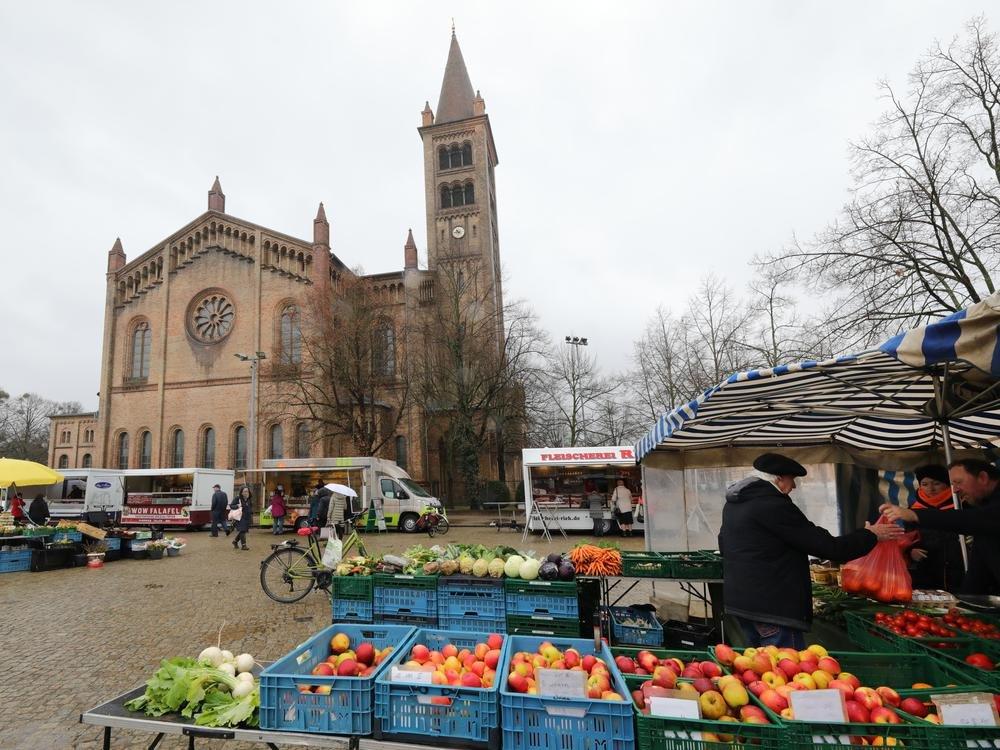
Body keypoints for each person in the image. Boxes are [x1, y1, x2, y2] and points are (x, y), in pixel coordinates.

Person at [720, 452, 902, 649]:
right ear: (779, 478)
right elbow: (827, 547)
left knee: (757, 670)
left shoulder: (735, 505)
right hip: (773, 608)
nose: (794, 486)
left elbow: (724, 544)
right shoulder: (772, 505)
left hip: (743, 604)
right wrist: (871, 535)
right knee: (785, 672)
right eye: (792, 480)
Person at [881, 458, 1000, 596]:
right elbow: (979, 568)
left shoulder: (983, 511)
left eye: (959, 482)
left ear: (983, 478)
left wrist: (915, 514)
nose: (955, 490)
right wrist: (965, 602)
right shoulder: (983, 506)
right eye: (952, 484)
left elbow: (970, 519)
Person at [905, 464, 964, 592]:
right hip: (925, 570)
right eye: (925, 484)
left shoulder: (961, 505)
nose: (930, 489)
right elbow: (907, 537)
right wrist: (911, 551)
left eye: (936, 483)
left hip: (959, 568)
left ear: (946, 484)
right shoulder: (913, 510)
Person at [231, 486, 253, 551]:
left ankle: (235, 541)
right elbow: (231, 505)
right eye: (245, 491)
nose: (246, 493)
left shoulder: (249, 499)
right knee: (242, 530)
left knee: (243, 531)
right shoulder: (238, 498)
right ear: (241, 492)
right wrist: (237, 506)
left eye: (247, 491)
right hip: (240, 517)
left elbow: (250, 507)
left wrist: (251, 514)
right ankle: (244, 545)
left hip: (247, 517)